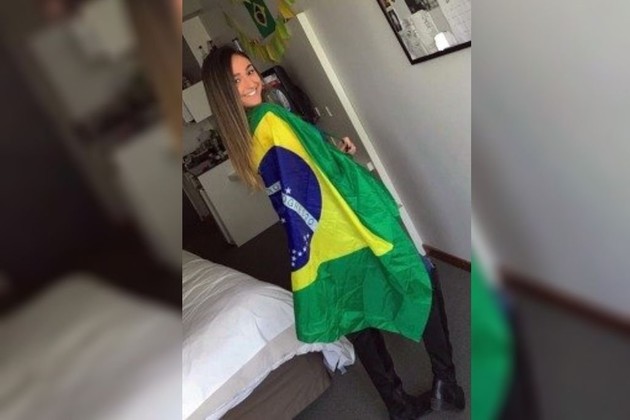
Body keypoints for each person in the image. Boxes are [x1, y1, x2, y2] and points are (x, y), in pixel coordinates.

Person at [202, 45, 465, 419]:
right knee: (420, 276)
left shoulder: (247, 134)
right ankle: (446, 383)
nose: (250, 82)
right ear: (222, 93)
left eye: (249, 71)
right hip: (345, 229)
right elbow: (316, 176)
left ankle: (397, 404)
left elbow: (305, 170)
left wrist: (335, 150)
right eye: (236, 80)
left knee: (354, 312)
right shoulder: (270, 117)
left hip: (319, 244)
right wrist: (340, 166)